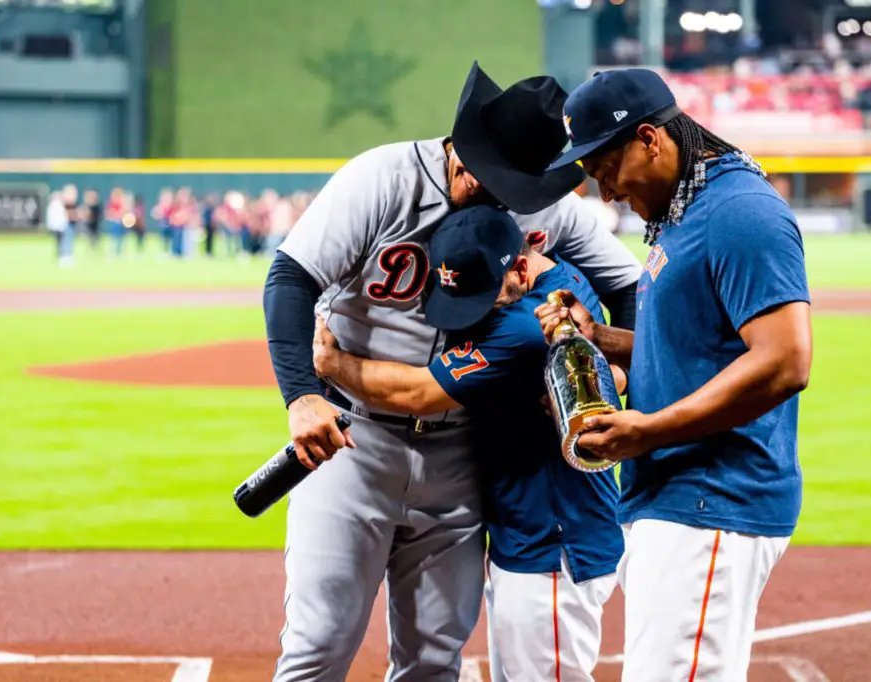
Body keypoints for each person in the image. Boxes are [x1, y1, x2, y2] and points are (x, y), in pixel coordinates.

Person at [263, 61, 641, 681]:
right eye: (500, 187)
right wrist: (301, 395)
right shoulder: (381, 179)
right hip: (355, 443)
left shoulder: (536, 204)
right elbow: (289, 277)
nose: (511, 206)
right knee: (319, 646)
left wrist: (622, 376)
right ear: (466, 157)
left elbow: (627, 283)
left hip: (461, 453)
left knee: (435, 658)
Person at [537, 68, 813, 681]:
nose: (606, 193)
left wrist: (649, 431)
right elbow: (689, 349)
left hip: (712, 496)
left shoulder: (739, 212)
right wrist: (600, 340)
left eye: (605, 169)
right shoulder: (687, 210)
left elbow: (785, 360)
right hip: (679, 498)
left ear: (649, 140)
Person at [311, 206, 624, 681]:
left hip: (553, 547)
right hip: (534, 538)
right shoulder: (563, 279)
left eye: (485, 296)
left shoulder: (524, 326)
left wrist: (334, 366)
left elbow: (416, 393)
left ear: (520, 267)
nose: (477, 311)